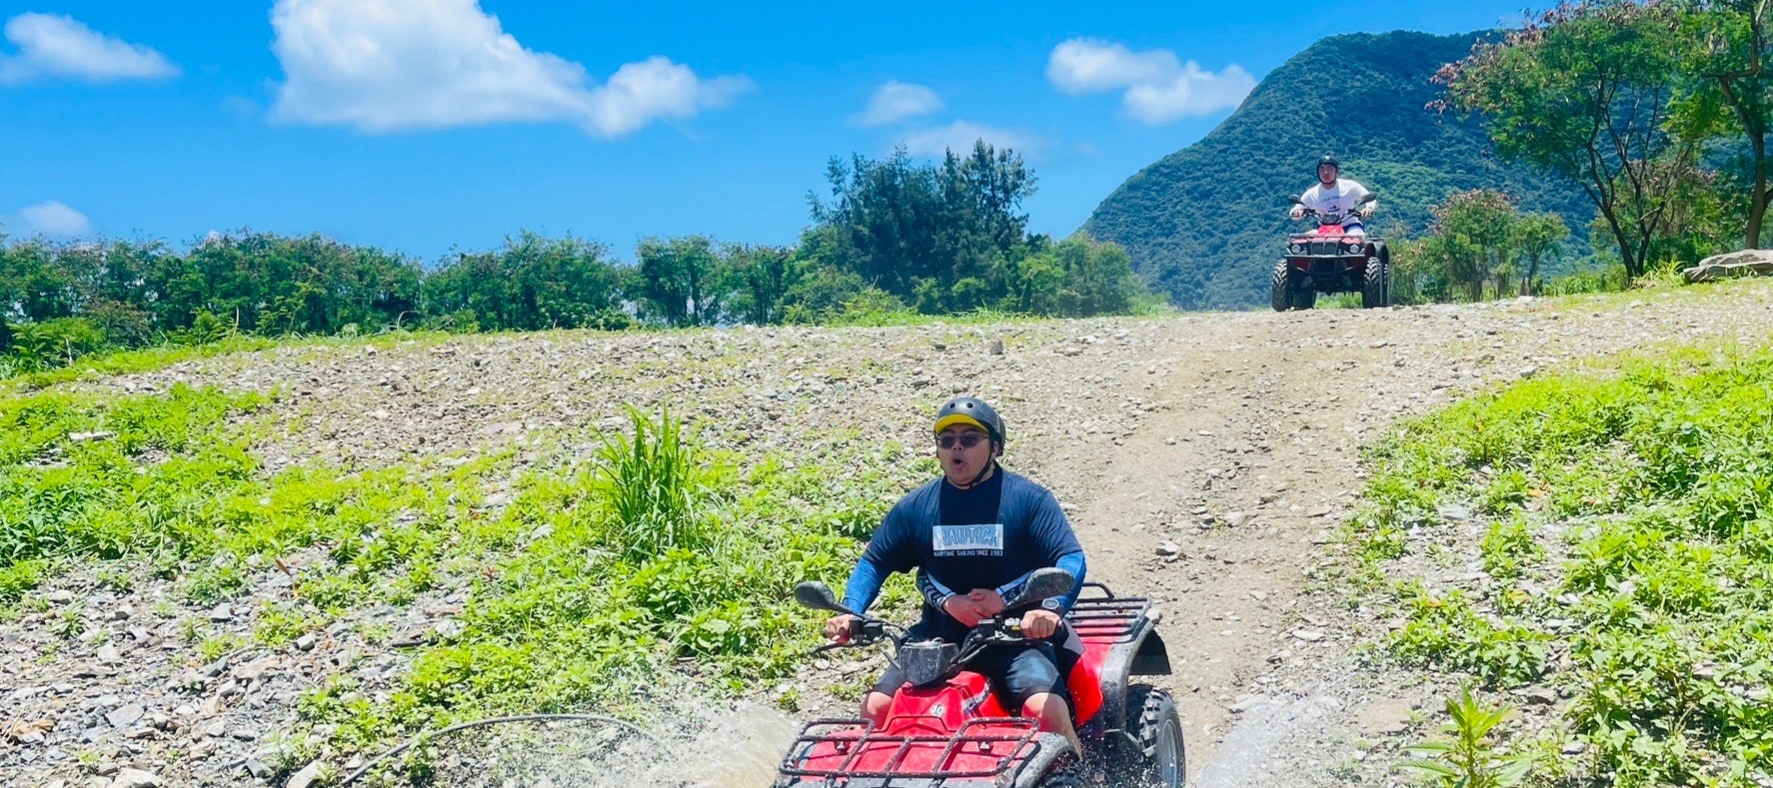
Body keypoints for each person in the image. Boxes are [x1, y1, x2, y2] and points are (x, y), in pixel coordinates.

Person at [821, 396, 1090, 754]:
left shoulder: (1029, 500)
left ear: (995, 447)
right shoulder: (915, 507)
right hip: (937, 639)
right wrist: (850, 610)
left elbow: (1070, 557)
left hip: (1011, 639)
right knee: (876, 709)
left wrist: (1048, 610)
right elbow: (874, 562)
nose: (956, 448)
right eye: (946, 441)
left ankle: (1081, 774)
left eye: (969, 439)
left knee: (1046, 708)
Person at [1289, 155, 1376, 234]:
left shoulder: (1349, 186)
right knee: (1306, 240)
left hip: (1350, 226)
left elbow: (1368, 197)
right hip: (1324, 229)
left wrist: (1369, 208)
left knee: (1357, 237)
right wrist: (1296, 212)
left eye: (1330, 169)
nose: (1326, 172)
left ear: (1336, 171)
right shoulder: (1311, 194)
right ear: (1317, 173)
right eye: (1322, 169)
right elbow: (1298, 208)